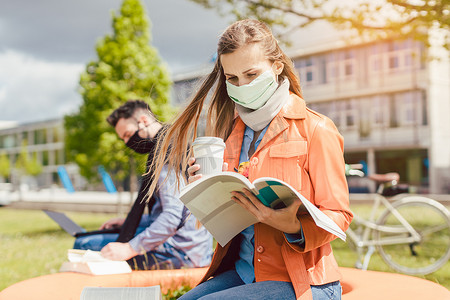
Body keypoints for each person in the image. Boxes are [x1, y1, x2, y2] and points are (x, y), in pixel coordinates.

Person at [148, 20, 353, 299]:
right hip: (244, 271)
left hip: (303, 281)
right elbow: (229, 215)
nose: (242, 85)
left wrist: (292, 226)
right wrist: (205, 191)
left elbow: (339, 216)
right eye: (232, 78)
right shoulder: (230, 131)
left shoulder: (316, 129)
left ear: (277, 66)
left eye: (251, 74)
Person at [74, 100, 213, 270]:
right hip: (193, 246)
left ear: (144, 121)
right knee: (109, 234)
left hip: (180, 253)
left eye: (127, 134)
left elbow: (172, 218)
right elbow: (177, 210)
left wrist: (130, 248)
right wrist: (128, 221)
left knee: (83, 244)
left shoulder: (165, 155)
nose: (127, 142)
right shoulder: (173, 142)